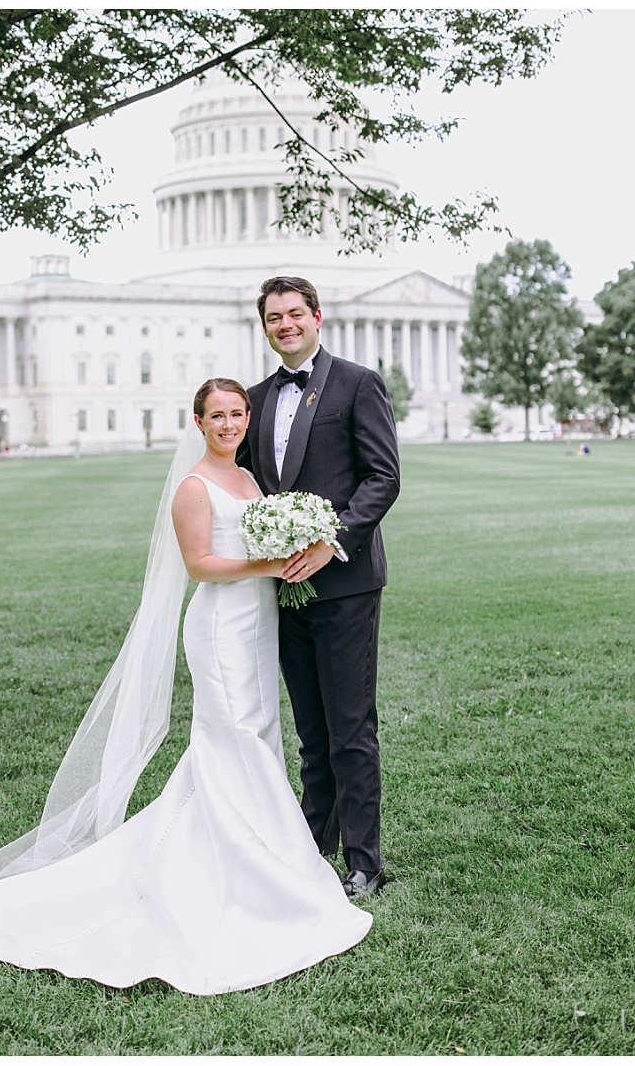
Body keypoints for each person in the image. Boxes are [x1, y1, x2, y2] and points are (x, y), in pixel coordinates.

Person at [0, 380, 371, 992]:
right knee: (237, 737)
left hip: (259, 623)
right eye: (216, 416)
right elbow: (200, 565)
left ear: (246, 417)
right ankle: (262, 869)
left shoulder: (249, 481)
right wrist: (270, 564)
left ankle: (257, 853)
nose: (228, 424)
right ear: (197, 423)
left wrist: (292, 547)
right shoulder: (193, 488)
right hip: (221, 627)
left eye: (236, 414)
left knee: (255, 737)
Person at [237, 276, 401, 898]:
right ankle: (314, 847)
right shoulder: (254, 398)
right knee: (311, 729)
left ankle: (364, 861)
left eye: (294, 314)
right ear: (265, 326)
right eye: (274, 317)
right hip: (282, 589)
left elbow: (382, 478)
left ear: (317, 317)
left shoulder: (358, 384)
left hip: (346, 584)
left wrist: (328, 543)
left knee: (351, 725)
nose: (285, 324)